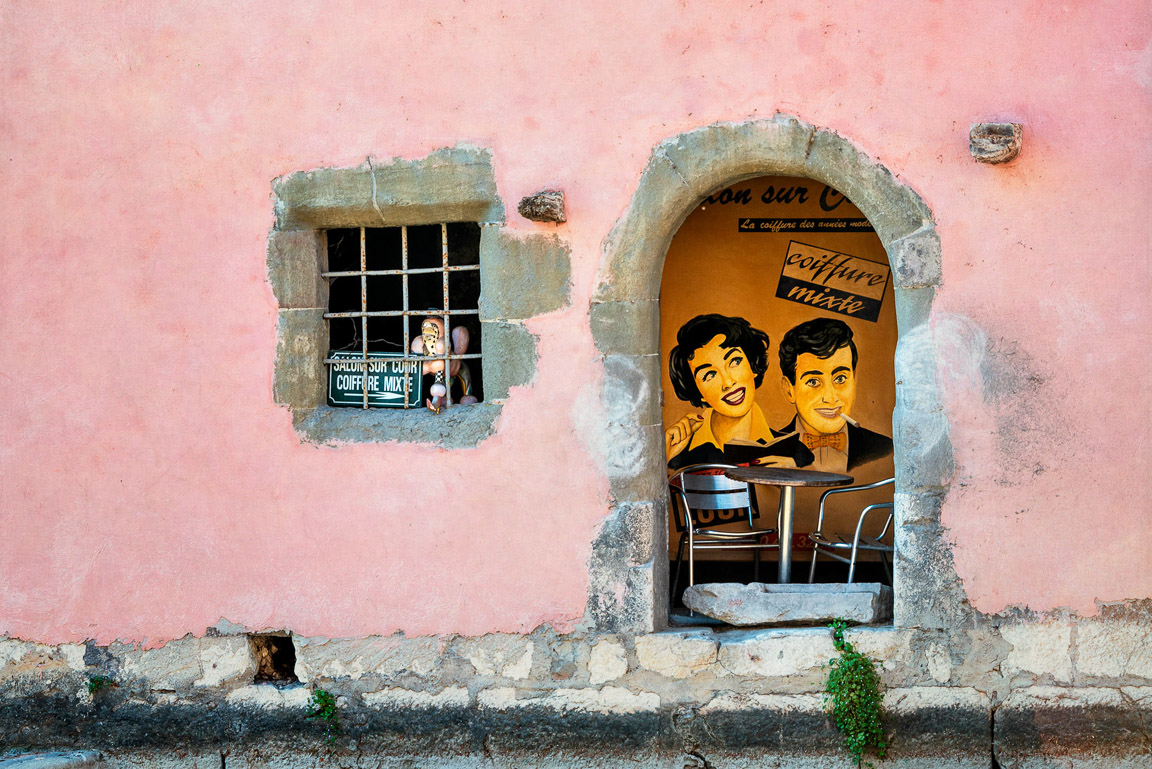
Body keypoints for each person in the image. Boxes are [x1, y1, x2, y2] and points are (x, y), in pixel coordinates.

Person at [665, 314, 813, 470]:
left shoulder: (794, 453)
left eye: (735, 361)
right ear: (698, 391)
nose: (728, 383)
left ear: (752, 365)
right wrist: (666, 460)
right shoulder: (678, 454)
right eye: (710, 375)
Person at [771, 317, 892, 472]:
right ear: (789, 390)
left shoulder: (885, 449)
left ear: (853, 379)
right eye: (813, 382)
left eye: (840, 379)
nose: (830, 397)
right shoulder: (771, 449)